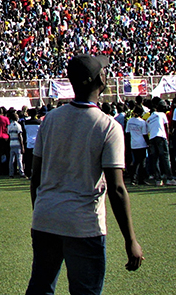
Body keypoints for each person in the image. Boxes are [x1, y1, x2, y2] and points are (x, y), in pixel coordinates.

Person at [26, 55, 143, 295]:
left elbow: (35, 177)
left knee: (40, 288)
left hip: (46, 216)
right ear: (100, 79)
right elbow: (117, 188)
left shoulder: (50, 119)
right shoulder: (108, 126)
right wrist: (130, 239)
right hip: (83, 223)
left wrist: (39, 212)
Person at [146, 100, 176, 186]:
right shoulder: (162, 115)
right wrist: (167, 138)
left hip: (152, 138)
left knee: (155, 160)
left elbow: (148, 131)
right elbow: (166, 127)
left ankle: (158, 179)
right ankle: (169, 178)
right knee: (165, 158)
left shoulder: (149, 119)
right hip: (161, 137)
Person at [125, 105, 149, 185]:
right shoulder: (142, 122)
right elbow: (144, 134)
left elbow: (127, 133)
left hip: (133, 143)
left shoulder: (130, 121)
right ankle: (141, 179)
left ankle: (133, 179)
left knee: (135, 162)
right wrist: (148, 143)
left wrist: (127, 145)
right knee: (142, 163)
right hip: (141, 144)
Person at [8, 112, 26, 178]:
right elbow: (20, 136)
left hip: (11, 143)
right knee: (19, 159)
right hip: (17, 143)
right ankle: (21, 172)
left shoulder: (9, 126)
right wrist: (22, 145)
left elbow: (9, 135)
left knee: (11, 159)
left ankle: (11, 173)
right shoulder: (18, 125)